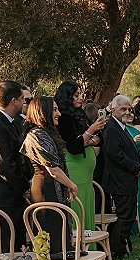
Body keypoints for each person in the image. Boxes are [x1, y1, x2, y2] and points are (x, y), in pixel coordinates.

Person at [20, 97, 78, 256]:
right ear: (41, 112)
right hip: (46, 189)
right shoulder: (37, 135)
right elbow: (52, 169)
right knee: (51, 238)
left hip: (54, 186)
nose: (58, 113)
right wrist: (72, 185)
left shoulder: (46, 133)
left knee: (60, 235)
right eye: (54, 110)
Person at [0, 80, 30, 253]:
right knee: (3, 250)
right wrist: (25, 188)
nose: (24, 103)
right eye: (22, 99)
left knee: (17, 248)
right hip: (1, 197)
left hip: (12, 196)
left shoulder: (13, 121)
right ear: (13, 101)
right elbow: (4, 165)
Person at [54, 81, 106, 239]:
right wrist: (90, 132)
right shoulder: (64, 118)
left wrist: (88, 139)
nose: (81, 98)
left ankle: (91, 246)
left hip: (86, 173)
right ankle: (79, 249)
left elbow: (100, 139)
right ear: (67, 96)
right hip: (75, 170)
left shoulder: (80, 113)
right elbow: (74, 146)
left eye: (81, 94)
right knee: (78, 207)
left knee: (87, 206)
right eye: (76, 95)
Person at [102, 95, 140, 260]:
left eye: (129, 109)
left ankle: (122, 244)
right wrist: (135, 168)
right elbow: (116, 154)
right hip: (119, 179)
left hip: (126, 178)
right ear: (113, 110)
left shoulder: (121, 126)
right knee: (125, 214)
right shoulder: (112, 128)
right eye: (123, 109)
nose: (128, 112)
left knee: (128, 213)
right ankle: (118, 249)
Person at [124, 109, 140, 233]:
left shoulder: (138, 127)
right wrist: (133, 141)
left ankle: (139, 225)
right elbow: (124, 147)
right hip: (129, 164)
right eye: (128, 112)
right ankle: (131, 226)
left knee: (138, 194)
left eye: (132, 113)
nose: (130, 115)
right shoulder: (123, 130)